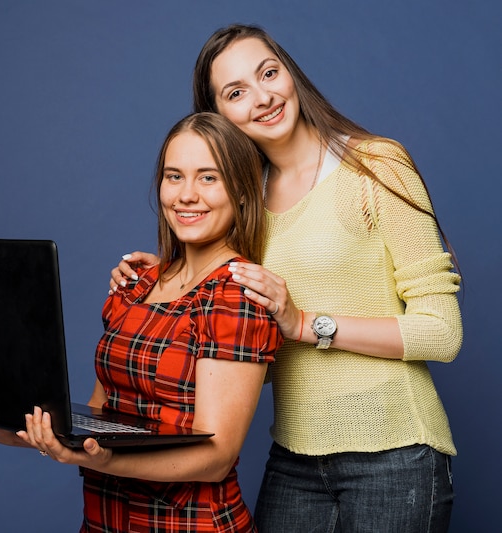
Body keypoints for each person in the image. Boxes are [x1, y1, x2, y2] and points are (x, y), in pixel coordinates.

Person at [109, 24, 463, 533]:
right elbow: (248, 351)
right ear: (219, 116)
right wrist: (169, 281)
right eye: (236, 92)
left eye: (268, 73)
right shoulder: (243, 202)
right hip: (294, 456)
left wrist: (306, 323)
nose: (264, 97)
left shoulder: (376, 165)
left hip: (395, 452)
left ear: (289, 73)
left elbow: (442, 333)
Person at [0, 111, 283, 532]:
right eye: (174, 176)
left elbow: (217, 458)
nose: (186, 195)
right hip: (105, 519)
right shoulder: (135, 285)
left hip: (190, 524)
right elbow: (93, 421)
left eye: (208, 178)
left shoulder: (237, 296)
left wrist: (105, 459)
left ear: (242, 192)